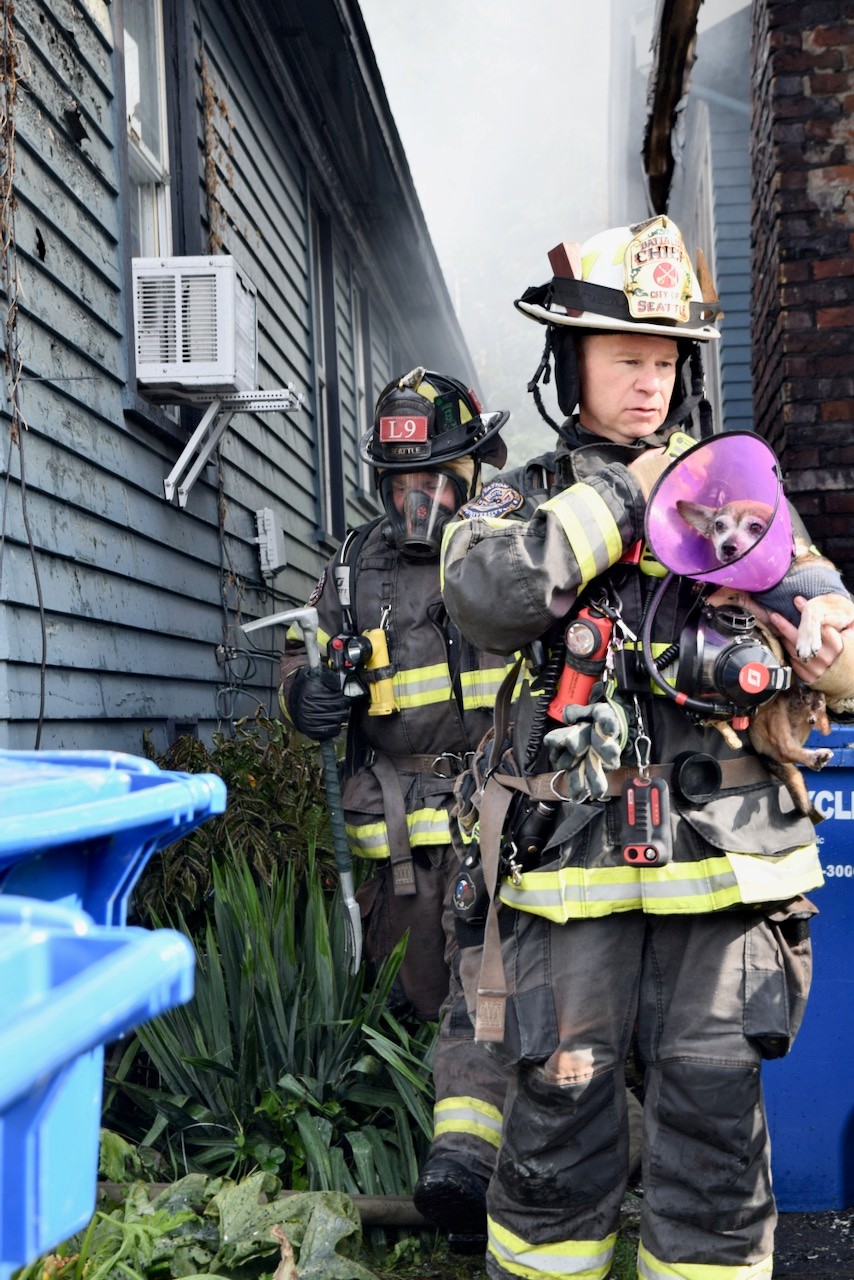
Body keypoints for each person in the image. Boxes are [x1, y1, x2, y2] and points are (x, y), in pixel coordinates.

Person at [439, 215, 854, 1280]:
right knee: (553, 1137)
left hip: (721, 879)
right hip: (569, 871)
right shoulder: (518, 496)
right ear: (566, 363)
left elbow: (837, 646)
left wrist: (817, 646)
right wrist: (623, 499)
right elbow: (483, 595)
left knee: (715, 1145)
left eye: (665, 361)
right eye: (626, 357)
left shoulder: (740, 501)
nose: (649, 385)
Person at [280, 367, 514, 1247]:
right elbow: (304, 660)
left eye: (434, 482)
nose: (417, 500)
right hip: (399, 839)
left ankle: (483, 1181)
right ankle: (442, 1178)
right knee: (417, 999)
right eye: (401, 483)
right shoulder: (351, 567)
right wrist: (303, 696)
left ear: (468, 473)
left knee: (494, 997)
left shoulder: (504, 555)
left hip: (496, 815)